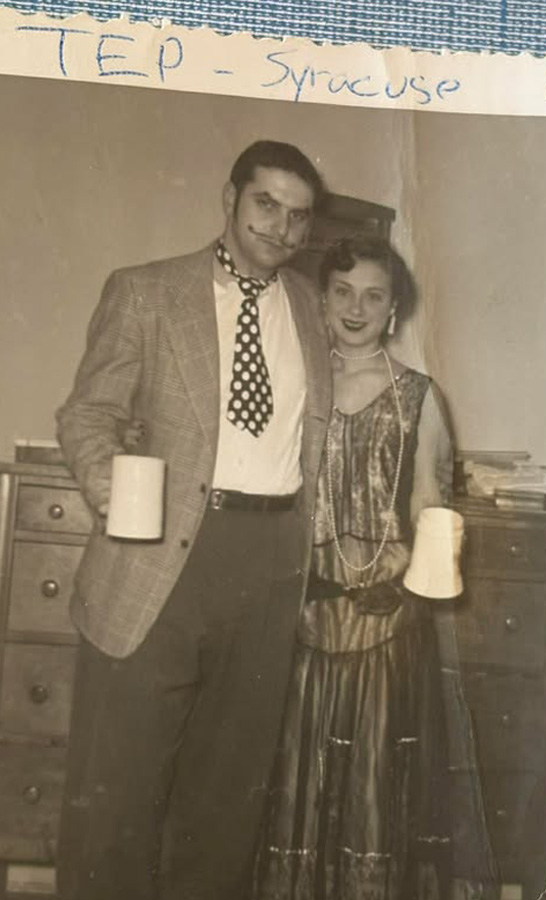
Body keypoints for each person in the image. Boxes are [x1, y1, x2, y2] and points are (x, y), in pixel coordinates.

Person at [55, 140, 333, 900]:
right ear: (230, 197)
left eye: (298, 216)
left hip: (271, 561)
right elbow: (88, 415)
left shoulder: (311, 309)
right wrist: (109, 485)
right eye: (266, 204)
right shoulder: (147, 292)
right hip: (161, 557)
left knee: (227, 795)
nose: (281, 227)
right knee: (118, 785)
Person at [254, 237, 495, 900]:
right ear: (321, 299)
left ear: (394, 310)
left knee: (371, 780)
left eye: (373, 295)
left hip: (385, 627)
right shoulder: (296, 387)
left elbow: (433, 510)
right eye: (341, 292)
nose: (356, 307)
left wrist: (407, 587)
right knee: (298, 777)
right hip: (301, 618)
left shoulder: (418, 397)